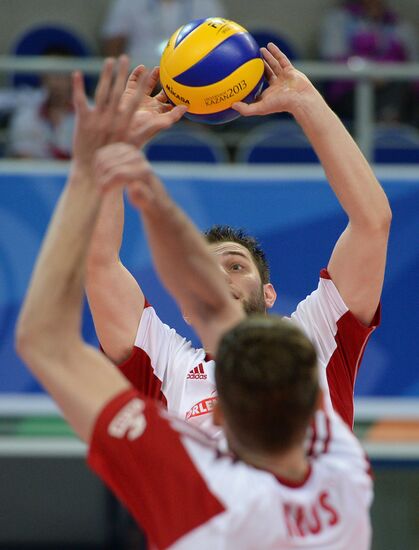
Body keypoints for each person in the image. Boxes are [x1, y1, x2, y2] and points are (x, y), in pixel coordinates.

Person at [16, 51, 373, 548]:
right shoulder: (343, 471)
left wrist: (100, 166)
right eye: (210, 270)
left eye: (235, 266)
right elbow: (371, 223)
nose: (220, 281)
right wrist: (305, 102)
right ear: (318, 409)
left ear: (220, 416)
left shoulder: (198, 495)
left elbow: (74, 301)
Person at [86, 43, 391, 439]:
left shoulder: (312, 339)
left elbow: (372, 222)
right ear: (187, 307)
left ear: (268, 294)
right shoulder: (167, 364)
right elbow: (98, 263)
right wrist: (117, 144)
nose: (219, 278)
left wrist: (306, 102)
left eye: (235, 265)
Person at [319, 0, 418, 122]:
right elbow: (333, 60)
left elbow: (412, 68)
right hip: (351, 91)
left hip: (394, 89)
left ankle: (391, 128)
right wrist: (372, 73)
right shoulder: (338, 20)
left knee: (402, 92)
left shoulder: (401, 26)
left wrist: (385, 74)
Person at [102, 0, 226, 67]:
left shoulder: (207, 3)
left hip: (189, 73)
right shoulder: (129, 2)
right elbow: (113, 43)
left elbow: (217, 45)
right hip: (139, 73)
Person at [7, 47, 76, 159]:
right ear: (43, 76)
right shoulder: (26, 115)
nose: (56, 79)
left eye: (62, 72)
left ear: (73, 76)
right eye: (51, 73)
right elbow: (22, 160)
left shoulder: (91, 112)